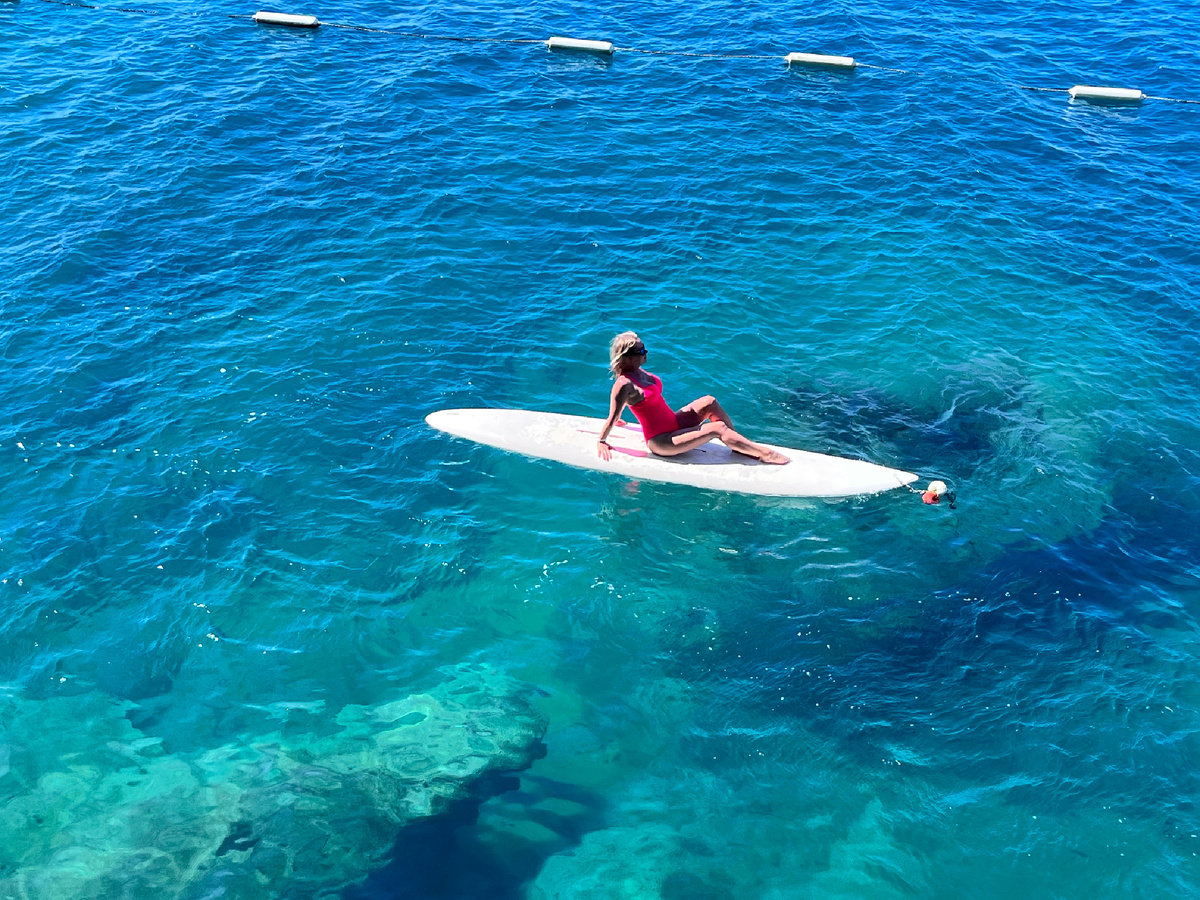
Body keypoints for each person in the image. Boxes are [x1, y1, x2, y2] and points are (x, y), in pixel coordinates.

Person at [596, 331, 789, 464]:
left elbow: (634, 407)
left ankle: (738, 446)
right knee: (717, 428)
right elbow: (613, 414)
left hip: (673, 423)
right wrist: (602, 440)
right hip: (662, 440)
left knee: (709, 401)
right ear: (628, 358)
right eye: (642, 351)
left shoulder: (639, 371)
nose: (646, 353)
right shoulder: (624, 385)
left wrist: (622, 418)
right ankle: (765, 454)